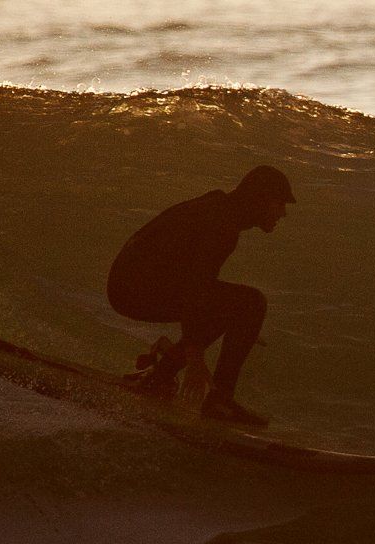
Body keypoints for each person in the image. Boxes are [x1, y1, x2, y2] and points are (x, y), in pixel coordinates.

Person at [106, 165, 296, 427]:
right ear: (259, 199)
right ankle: (219, 400)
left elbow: (198, 289)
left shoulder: (221, 209)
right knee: (251, 303)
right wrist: (195, 356)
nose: (283, 213)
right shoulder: (223, 225)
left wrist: (237, 327)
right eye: (279, 203)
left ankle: (160, 379)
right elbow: (196, 291)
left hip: (133, 283)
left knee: (235, 308)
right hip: (133, 287)